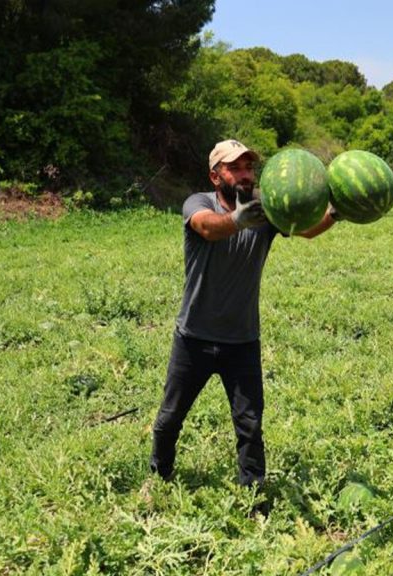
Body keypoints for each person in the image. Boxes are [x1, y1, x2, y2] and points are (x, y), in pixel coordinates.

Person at [150, 139, 338, 488]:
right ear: (215, 175)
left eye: (249, 167)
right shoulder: (199, 203)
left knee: (250, 424)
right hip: (194, 337)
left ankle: (253, 493)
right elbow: (208, 227)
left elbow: (309, 229)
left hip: (242, 340)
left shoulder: (266, 209)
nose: (244, 173)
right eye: (234, 167)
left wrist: (338, 211)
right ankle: (159, 475)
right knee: (170, 417)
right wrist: (238, 219)